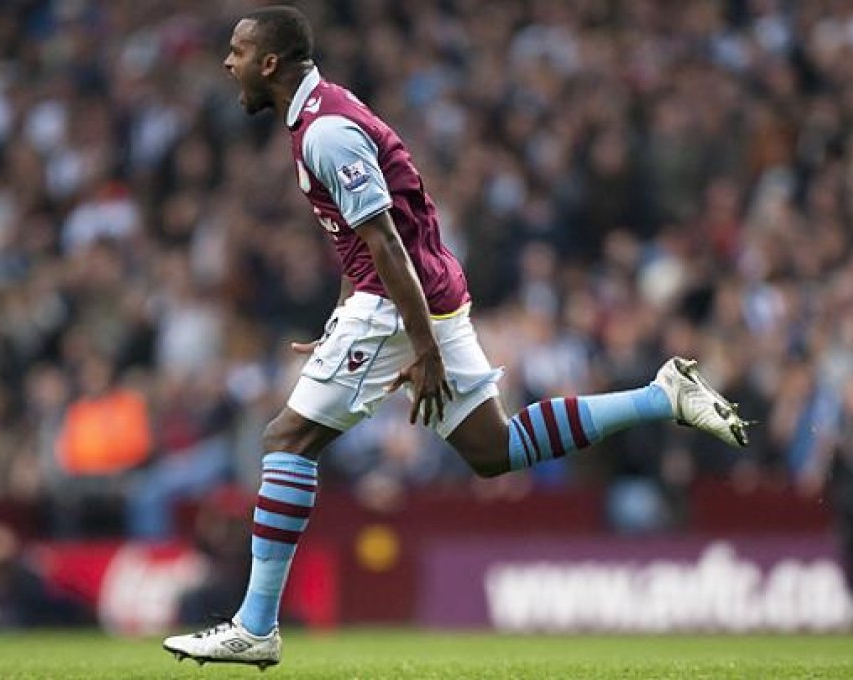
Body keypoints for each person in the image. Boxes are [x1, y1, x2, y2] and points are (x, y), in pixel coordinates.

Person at [163, 6, 751, 669]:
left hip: (399, 303)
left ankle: (255, 625)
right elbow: (361, 243)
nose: (227, 62)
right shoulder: (325, 112)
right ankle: (660, 397)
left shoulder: (326, 132)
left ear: (270, 62)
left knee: (286, 439)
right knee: (494, 449)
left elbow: (388, 247)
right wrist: (344, 319)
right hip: (421, 296)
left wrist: (423, 348)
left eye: (237, 51)